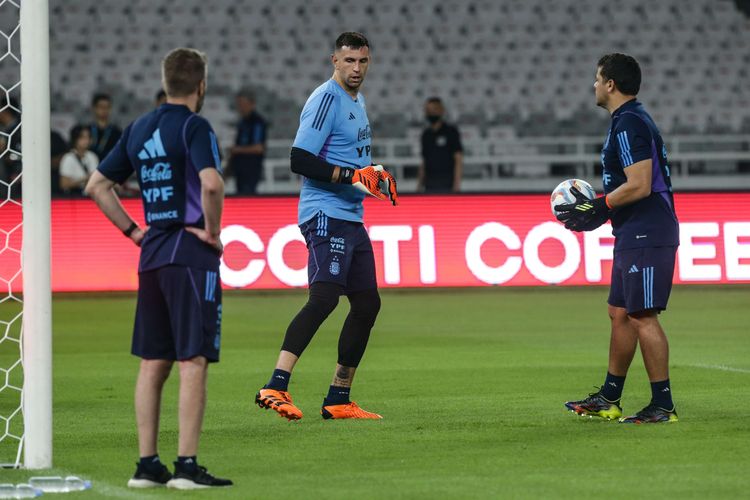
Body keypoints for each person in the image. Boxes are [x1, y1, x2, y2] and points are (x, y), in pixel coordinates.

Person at [85, 47, 232, 488]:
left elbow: (97, 185)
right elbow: (211, 183)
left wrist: (134, 232)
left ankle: (147, 464)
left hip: (151, 256)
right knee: (193, 361)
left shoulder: (138, 128)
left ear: (166, 82)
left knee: (153, 363)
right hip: (189, 255)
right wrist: (211, 230)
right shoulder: (195, 126)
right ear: (201, 85)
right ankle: (186, 465)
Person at [255, 32, 398, 421]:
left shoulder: (357, 99)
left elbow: (350, 161)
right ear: (334, 60)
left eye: (363, 62)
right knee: (324, 299)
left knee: (367, 304)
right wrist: (353, 175)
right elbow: (300, 159)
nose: (356, 69)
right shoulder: (325, 99)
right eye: (349, 61)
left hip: (351, 217)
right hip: (325, 213)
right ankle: (275, 385)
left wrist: (373, 176)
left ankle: (339, 396)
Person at [555, 53, 679, 424]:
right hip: (634, 230)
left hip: (647, 230)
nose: (593, 85)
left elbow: (639, 184)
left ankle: (663, 405)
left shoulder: (628, 124)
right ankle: (610, 397)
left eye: (597, 79)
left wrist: (599, 206)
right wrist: (603, 211)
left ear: (610, 84)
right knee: (620, 313)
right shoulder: (629, 121)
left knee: (642, 315)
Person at [417, 97, 463, 193]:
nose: (431, 113)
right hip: (429, 183)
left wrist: (457, 184)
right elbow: (424, 161)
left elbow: (458, 158)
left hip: (447, 182)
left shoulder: (451, 131)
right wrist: (419, 185)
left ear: (441, 110)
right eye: (428, 110)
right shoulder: (426, 134)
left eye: (434, 110)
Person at [228, 90, 267, 194]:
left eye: (243, 104)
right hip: (240, 168)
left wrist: (237, 150)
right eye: (239, 104)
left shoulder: (257, 122)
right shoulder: (242, 122)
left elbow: (258, 148)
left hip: (251, 168)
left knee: (248, 197)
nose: (240, 107)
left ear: (252, 104)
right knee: (240, 196)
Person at [59, 125, 99, 194]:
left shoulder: (92, 156)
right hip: (74, 196)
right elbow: (64, 184)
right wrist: (86, 178)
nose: (86, 140)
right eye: (82, 137)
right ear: (75, 139)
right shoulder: (68, 158)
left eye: (88, 137)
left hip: (91, 195)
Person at [87, 92, 122, 160]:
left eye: (107, 107)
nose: (104, 110)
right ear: (94, 108)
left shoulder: (117, 132)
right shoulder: (87, 131)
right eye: (101, 107)